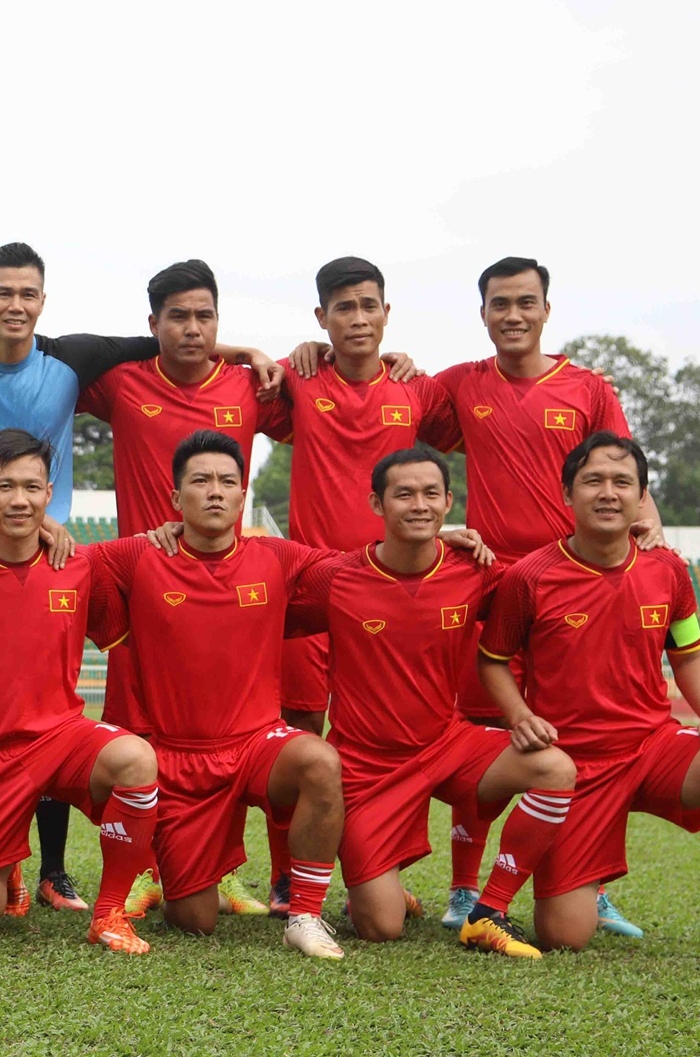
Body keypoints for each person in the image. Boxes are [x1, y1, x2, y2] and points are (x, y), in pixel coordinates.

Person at [295, 255, 658, 935]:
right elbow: (381, 398)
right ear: (483, 312)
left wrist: (651, 524)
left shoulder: (588, 388)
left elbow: (621, 467)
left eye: (526, 302)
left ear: (547, 309)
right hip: (483, 584)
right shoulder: (459, 385)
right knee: (482, 725)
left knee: (569, 735)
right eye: (500, 304)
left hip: (563, 585)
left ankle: (582, 877)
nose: (513, 315)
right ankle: (463, 891)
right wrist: (328, 351)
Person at [0, 241, 177, 914]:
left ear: (42, 302)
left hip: (44, 555)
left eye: (28, 294)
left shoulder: (68, 362)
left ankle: (54, 869)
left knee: (48, 706)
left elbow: (170, 337)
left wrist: (250, 356)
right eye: (4, 294)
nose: (16, 305)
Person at [477, 433, 700, 971]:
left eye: (622, 482)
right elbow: (492, 659)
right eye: (593, 481)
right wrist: (519, 715)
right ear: (567, 493)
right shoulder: (529, 578)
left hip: (652, 746)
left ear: (641, 498)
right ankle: (586, 884)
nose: (607, 493)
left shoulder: (668, 570)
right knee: (565, 935)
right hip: (575, 765)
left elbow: (687, 654)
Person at [287, 448, 575, 957]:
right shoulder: (337, 578)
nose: (418, 504)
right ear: (377, 502)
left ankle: (488, 912)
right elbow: (260, 590)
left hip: (449, 744)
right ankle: (379, 889)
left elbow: (548, 585)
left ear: (448, 501)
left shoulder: (476, 570)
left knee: (554, 768)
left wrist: (629, 541)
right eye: (403, 494)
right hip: (365, 764)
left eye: (430, 494)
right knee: (380, 927)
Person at [77, 260, 292, 920]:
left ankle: (222, 872)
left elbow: (329, 393)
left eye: (205, 317)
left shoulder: (250, 387)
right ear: (154, 325)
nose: (193, 329)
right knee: (137, 740)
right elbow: (50, 354)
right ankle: (141, 871)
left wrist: (271, 353)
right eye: (178, 317)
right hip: (143, 587)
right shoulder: (121, 383)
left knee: (228, 734)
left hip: (224, 589)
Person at [88, 430, 350, 959]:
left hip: (257, 743)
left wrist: (441, 545)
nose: (215, 491)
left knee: (319, 761)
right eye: (200, 481)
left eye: (228, 481)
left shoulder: (277, 557)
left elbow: (367, 568)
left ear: (242, 494)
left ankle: (305, 913)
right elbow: (61, 554)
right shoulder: (135, 557)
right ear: (174, 498)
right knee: (193, 921)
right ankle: (183, 877)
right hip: (178, 758)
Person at [0, 429, 162, 954]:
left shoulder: (81, 565)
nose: (18, 500)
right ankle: (9, 868)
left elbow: (118, 624)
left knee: (136, 759)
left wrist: (172, 527)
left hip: (59, 739)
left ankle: (109, 912)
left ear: (49, 494)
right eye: (4, 487)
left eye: (31, 487)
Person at [254, 256, 459, 915]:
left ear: (387, 312)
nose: (359, 318)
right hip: (317, 587)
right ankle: (289, 879)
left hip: (393, 592)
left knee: (397, 732)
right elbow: (228, 380)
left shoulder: (417, 391)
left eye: (369, 305)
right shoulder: (299, 380)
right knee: (302, 731)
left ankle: (387, 872)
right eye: (344, 308)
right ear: (322, 319)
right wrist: (280, 356)